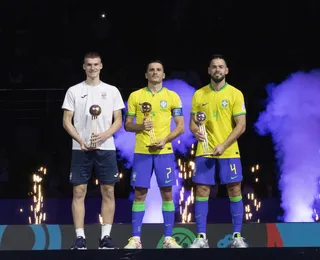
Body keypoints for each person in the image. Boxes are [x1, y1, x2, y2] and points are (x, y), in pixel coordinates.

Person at [62, 52, 125, 250]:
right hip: (80, 148)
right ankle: (80, 238)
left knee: (108, 191)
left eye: (95, 64)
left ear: (101, 66)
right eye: (89, 64)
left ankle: (105, 237)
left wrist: (105, 135)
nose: (92, 68)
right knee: (79, 191)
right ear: (84, 67)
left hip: (106, 148)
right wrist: (79, 139)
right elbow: (66, 121)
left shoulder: (112, 90)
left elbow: (118, 120)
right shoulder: (74, 90)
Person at [124, 60, 184, 249]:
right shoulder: (136, 96)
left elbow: (181, 126)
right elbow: (127, 125)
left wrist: (165, 140)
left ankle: (168, 238)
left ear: (163, 75)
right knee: (140, 193)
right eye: (151, 70)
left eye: (158, 70)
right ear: (146, 74)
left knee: (167, 192)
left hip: (164, 152)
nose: (155, 73)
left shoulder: (172, 96)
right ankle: (135, 239)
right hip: (142, 151)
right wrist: (141, 126)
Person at [189, 54, 247, 248]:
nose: (217, 70)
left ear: (226, 70)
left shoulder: (235, 94)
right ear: (208, 70)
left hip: (229, 151)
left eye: (221, 67)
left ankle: (237, 236)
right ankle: (201, 237)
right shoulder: (199, 94)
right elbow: (192, 123)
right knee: (202, 190)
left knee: (234, 189)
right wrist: (196, 132)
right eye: (214, 67)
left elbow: (241, 126)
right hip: (204, 150)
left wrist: (223, 145)